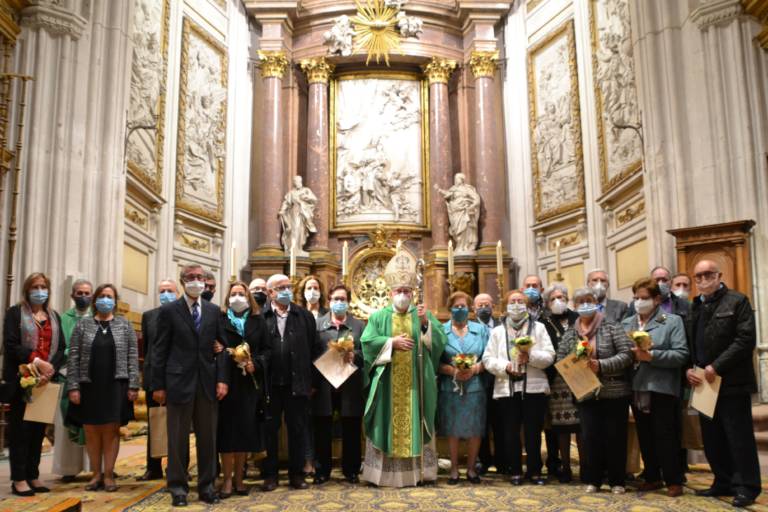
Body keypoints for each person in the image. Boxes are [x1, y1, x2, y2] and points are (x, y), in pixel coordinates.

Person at [360, 250, 446, 487]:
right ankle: (384, 474)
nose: (402, 295)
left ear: (413, 293)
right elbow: (367, 343)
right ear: (390, 293)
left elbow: (438, 343)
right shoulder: (378, 317)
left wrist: (426, 324)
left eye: (406, 291)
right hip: (388, 384)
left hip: (416, 386)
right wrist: (391, 343)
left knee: (416, 419)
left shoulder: (422, 315)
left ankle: (419, 473)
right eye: (398, 291)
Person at [151, 263, 230, 507]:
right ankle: (177, 487)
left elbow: (222, 349)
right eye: (192, 277)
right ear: (183, 280)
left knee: (208, 439)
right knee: (177, 439)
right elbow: (159, 349)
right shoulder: (169, 311)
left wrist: (222, 379)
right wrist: (158, 384)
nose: (197, 281)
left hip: (207, 382)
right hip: (177, 382)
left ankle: (207, 486)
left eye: (201, 277)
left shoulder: (214, 310)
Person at [686, 260, 761, 507]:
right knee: (713, 438)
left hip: (731, 382)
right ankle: (722, 481)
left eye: (708, 274)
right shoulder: (695, 306)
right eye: (698, 276)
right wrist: (690, 368)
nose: (703, 279)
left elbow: (745, 339)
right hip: (704, 384)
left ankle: (746, 487)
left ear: (719, 275)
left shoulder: (737, 300)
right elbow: (691, 342)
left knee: (738, 437)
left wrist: (716, 366)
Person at [556, 287, 633, 494]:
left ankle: (617, 481)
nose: (585, 305)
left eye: (588, 300)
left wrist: (601, 365)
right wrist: (574, 366)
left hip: (614, 390)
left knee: (615, 436)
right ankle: (594, 480)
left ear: (596, 302)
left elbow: (626, 355)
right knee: (591, 437)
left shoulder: (611, 326)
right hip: (586, 391)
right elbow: (561, 357)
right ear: (574, 305)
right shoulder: (572, 331)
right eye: (580, 301)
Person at [67, 284, 139, 492]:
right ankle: (95, 474)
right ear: (95, 300)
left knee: (111, 430)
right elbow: (73, 357)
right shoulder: (83, 325)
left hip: (116, 384)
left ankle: (108, 475)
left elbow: (133, 357)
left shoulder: (124, 325)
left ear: (115, 301)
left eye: (109, 296)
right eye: (102, 296)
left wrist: (133, 384)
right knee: (91, 430)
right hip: (88, 384)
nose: (105, 300)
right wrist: (73, 386)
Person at [622, 277, 688, 497]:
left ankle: (673, 479)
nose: (639, 302)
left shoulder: (671, 321)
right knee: (645, 434)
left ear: (657, 299)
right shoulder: (627, 323)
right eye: (636, 298)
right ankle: (652, 476)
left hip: (662, 386)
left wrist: (652, 356)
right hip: (636, 386)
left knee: (665, 434)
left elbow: (681, 354)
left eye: (644, 298)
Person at [2, 273, 66, 496]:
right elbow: (10, 345)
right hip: (22, 380)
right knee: (21, 432)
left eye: (43, 287)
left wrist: (51, 368)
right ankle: (18, 479)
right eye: (35, 287)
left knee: (38, 432)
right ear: (27, 290)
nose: (40, 290)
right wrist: (36, 360)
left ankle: (33, 475)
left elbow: (61, 350)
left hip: (45, 382)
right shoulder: (15, 313)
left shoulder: (54, 316)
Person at [483, 290, 555, 486]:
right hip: (507, 388)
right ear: (506, 305)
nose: (516, 304)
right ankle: (515, 470)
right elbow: (488, 359)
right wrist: (504, 366)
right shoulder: (497, 331)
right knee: (510, 432)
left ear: (527, 304)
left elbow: (549, 356)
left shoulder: (538, 328)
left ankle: (534, 471)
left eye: (520, 301)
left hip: (534, 388)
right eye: (513, 301)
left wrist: (530, 357)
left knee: (533, 432)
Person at [260, 273, 322, 491]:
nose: (286, 290)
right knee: (270, 430)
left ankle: (296, 475)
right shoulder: (261, 315)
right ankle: (270, 475)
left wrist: (312, 382)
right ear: (270, 292)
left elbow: (315, 350)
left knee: (297, 429)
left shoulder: (303, 315)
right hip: (270, 384)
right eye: (281, 287)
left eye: (288, 286)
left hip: (298, 383)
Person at [214, 281, 268, 498]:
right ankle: (226, 479)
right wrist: (219, 349)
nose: (237, 297)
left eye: (241, 293)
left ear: (249, 297)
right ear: (228, 298)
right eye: (234, 294)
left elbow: (267, 350)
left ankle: (239, 479)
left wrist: (256, 363)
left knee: (245, 433)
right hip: (225, 383)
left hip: (249, 383)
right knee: (227, 434)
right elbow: (212, 346)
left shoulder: (258, 320)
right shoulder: (219, 320)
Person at [312, 284, 365, 484]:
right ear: (329, 301)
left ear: (348, 302)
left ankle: (351, 469)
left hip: (350, 385)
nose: (339, 303)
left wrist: (354, 355)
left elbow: (366, 352)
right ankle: (321, 470)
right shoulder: (318, 325)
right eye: (336, 299)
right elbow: (311, 353)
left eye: (343, 299)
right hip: (324, 384)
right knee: (322, 427)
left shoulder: (359, 326)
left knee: (351, 426)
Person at [437, 291, 489, 484]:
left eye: (464, 306)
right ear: (450, 308)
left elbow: (489, 357)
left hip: (475, 386)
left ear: (470, 309)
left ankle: (471, 469)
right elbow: (434, 361)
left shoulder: (481, 330)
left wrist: (475, 369)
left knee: (475, 428)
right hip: (450, 387)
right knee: (453, 429)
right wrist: (452, 371)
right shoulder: (441, 331)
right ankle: (453, 470)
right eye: (456, 306)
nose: (460, 309)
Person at [137, 279, 178, 481]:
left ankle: (177, 467)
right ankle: (153, 467)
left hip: (177, 378)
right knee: (155, 423)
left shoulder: (182, 314)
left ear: (177, 293)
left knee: (177, 426)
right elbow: (148, 349)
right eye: (162, 291)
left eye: (169, 290)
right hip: (154, 377)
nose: (165, 294)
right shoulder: (149, 316)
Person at [540, 283, 581, 483]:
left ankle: (588, 464)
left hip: (581, 375)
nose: (559, 301)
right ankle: (564, 465)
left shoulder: (578, 318)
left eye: (562, 297)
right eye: (554, 298)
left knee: (582, 424)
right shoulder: (543, 321)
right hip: (556, 379)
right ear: (547, 303)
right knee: (560, 426)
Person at [54, 278, 93, 483]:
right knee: (65, 422)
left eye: (87, 293)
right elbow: (58, 347)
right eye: (79, 293)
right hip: (67, 374)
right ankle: (68, 468)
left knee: (95, 423)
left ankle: (96, 467)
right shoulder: (62, 319)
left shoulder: (98, 317)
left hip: (93, 378)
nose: (83, 296)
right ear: (72, 295)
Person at [297, 274, 327, 476]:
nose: (312, 291)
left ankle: (322, 461)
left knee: (321, 421)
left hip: (326, 374)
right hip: (303, 374)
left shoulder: (328, 313)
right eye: (309, 287)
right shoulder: (297, 314)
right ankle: (307, 459)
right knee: (305, 420)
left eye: (316, 287)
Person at [472, 293, 501, 475]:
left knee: (501, 423)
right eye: (480, 305)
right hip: (479, 380)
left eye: (487, 304)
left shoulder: (502, 324)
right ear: (474, 309)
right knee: (481, 423)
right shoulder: (471, 327)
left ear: (493, 306)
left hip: (501, 379)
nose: (484, 307)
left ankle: (502, 460)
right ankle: (483, 460)